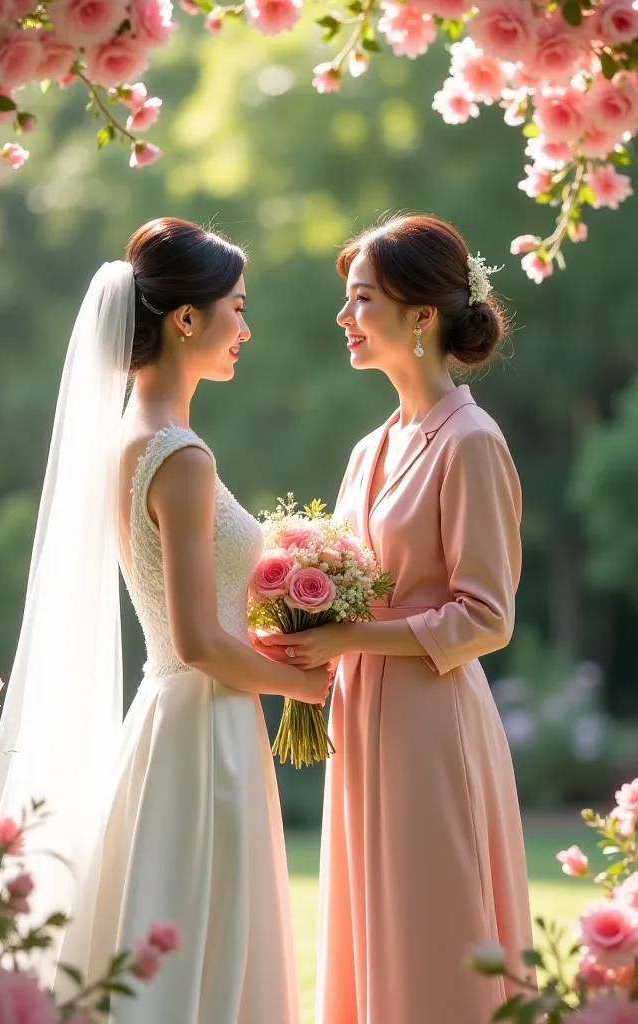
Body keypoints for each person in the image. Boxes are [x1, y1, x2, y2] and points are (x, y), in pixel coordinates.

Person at [0, 217, 329, 1023]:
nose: (245, 328)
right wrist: (306, 689)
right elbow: (199, 641)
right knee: (205, 935)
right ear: (185, 319)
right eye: (236, 309)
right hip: (205, 728)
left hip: (172, 716)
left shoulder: (129, 441)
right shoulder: (180, 457)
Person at [257, 214, 534, 1024]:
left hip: (430, 721)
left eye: (361, 299)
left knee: (432, 925)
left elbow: (486, 617)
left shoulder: (472, 443)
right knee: (367, 924)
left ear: (421, 316)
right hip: (361, 719)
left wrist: (343, 637)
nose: (344, 318)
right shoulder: (368, 449)